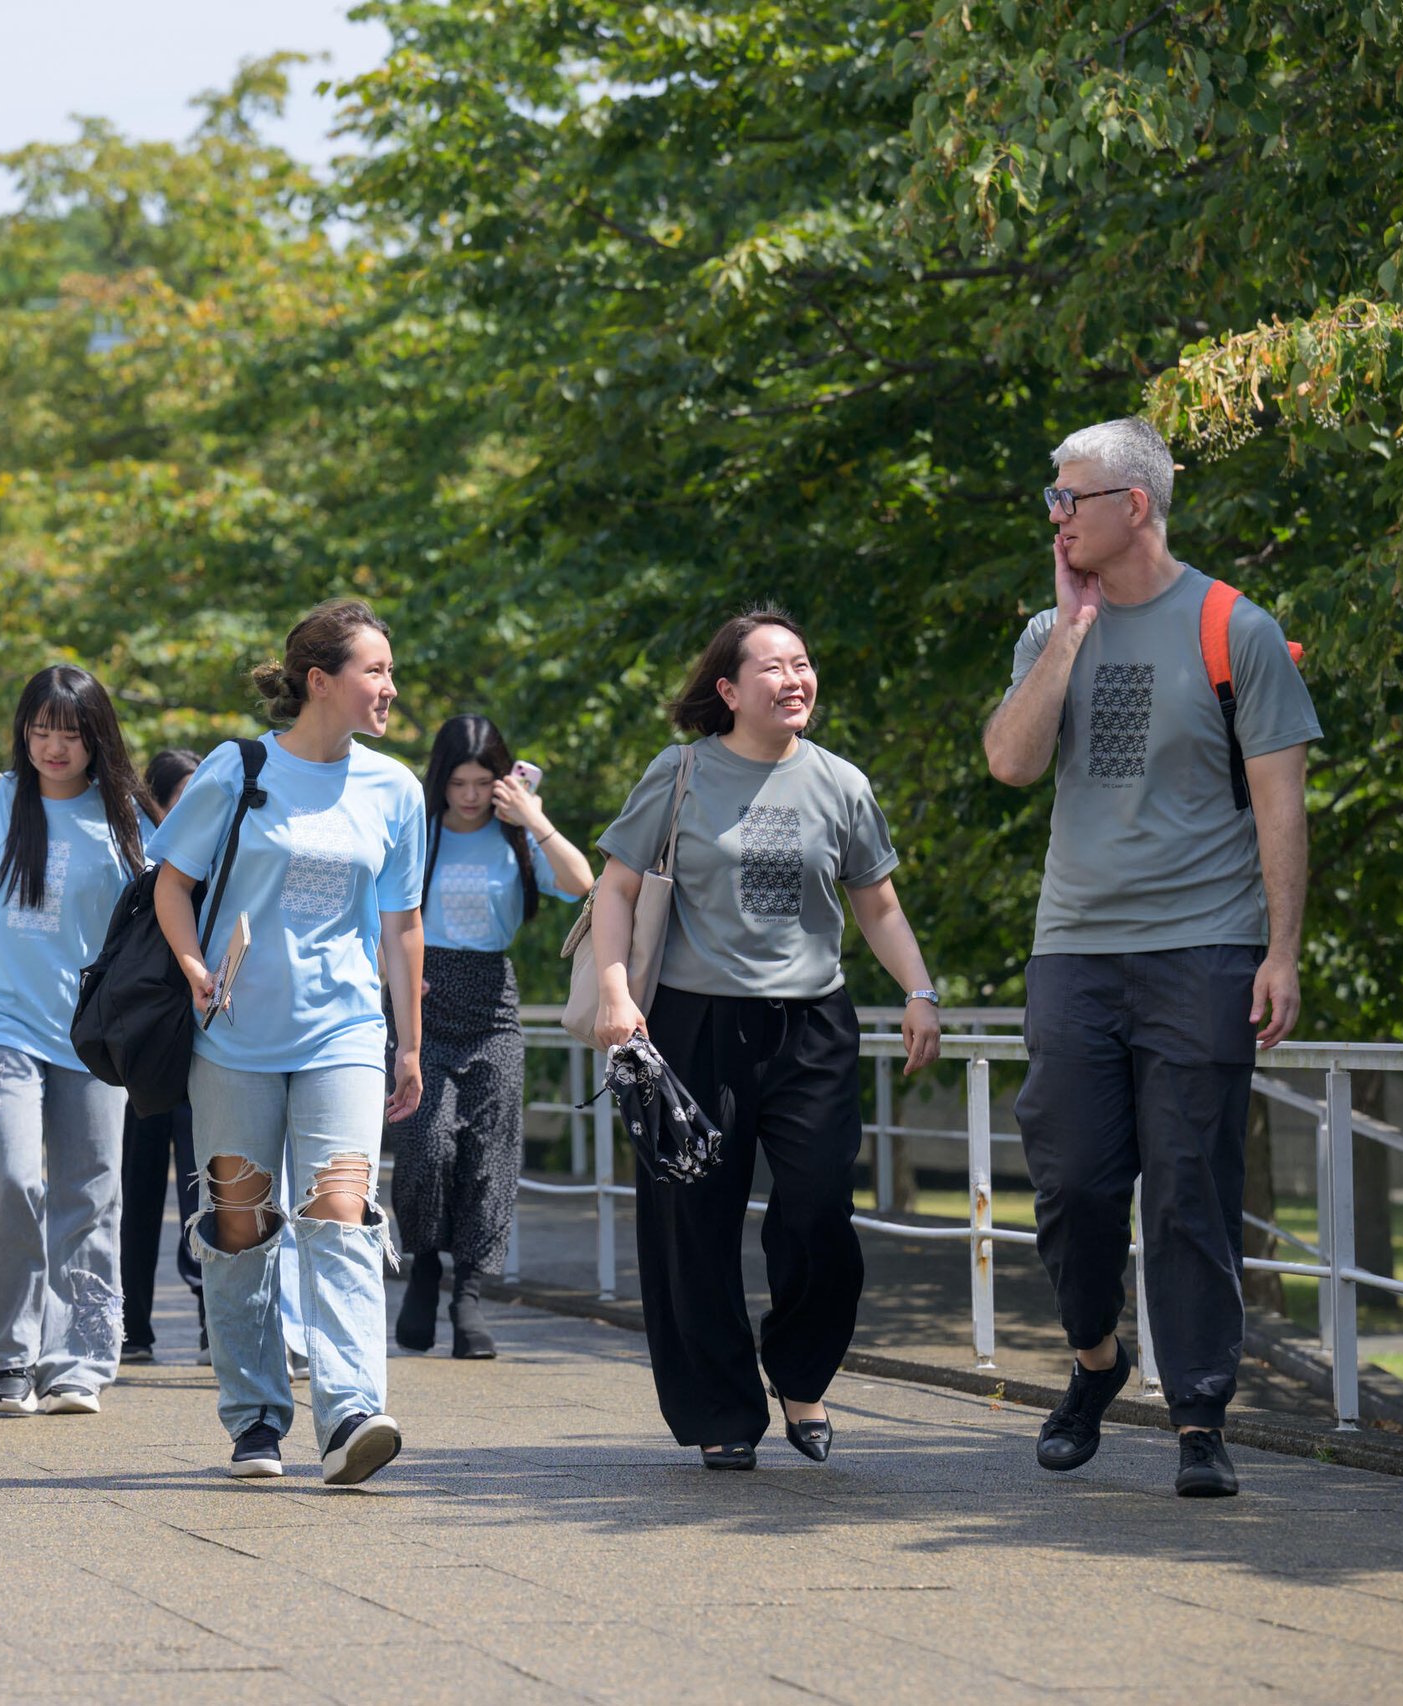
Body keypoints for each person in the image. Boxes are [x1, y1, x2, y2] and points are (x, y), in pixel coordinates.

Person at [984, 417, 1319, 1499]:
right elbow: (1009, 763)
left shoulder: (1236, 626)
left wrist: (1280, 950)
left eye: (1066, 497)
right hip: (1074, 948)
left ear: (1131, 505)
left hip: (1205, 948)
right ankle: (1093, 1359)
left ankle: (1198, 1415)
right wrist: (1072, 635)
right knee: (1074, 1183)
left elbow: (1280, 804)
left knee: (1188, 1190)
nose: (1054, 516)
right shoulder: (1047, 631)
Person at [587, 611, 941, 1470]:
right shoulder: (679, 774)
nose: (795, 679)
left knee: (820, 1208)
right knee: (692, 1225)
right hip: (691, 1026)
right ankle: (721, 1413)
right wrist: (613, 991)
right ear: (729, 690)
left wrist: (919, 990)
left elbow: (877, 903)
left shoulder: (841, 784)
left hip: (813, 1024)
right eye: (773, 667)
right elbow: (617, 889)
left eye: (804, 664)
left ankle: (801, 1373)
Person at [151, 598, 426, 1485]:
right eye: (374, 671)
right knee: (241, 1226)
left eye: (389, 670)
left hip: (344, 1031)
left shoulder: (396, 789)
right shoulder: (237, 770)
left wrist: (409, 1044)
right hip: (232, 1037)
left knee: (340, 1210)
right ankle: (256, 1420)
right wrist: (195, 967)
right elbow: (172, 884)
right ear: (320, 682)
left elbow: (403, 925)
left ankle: (350, 1411)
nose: (390, 686)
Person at [0, 666, 148, 1415]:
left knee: (92, 1189)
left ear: (96, 739)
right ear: (23, 732)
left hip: (91, 1034)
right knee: (10, 1176)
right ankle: (11, 1356)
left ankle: (78, 1358)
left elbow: (153, 921)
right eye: (40, 729)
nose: (54, 745)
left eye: (71, 732)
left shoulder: (122, 821)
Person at [392, 715, 595, 1359]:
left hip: (492, 1001)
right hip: (424, 994)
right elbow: (379, 913)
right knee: (427, 1146)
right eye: (458, 783)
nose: (472, 796)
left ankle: (469, 1297)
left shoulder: (518, 839)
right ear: (440, 781)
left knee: (489, 1150)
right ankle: (424, 1265)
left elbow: (583, 884)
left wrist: (533, 817)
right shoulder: (417, 834)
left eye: (484, 782)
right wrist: (393, 983)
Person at [120, 749, 204, 1364]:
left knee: (207, 1183)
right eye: (180, 799)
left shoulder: (226, 860)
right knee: (139, 1188)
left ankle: (210, 1321)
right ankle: (134, 1327)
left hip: (207, 1046)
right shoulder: (141, 864)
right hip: (147, 1045)